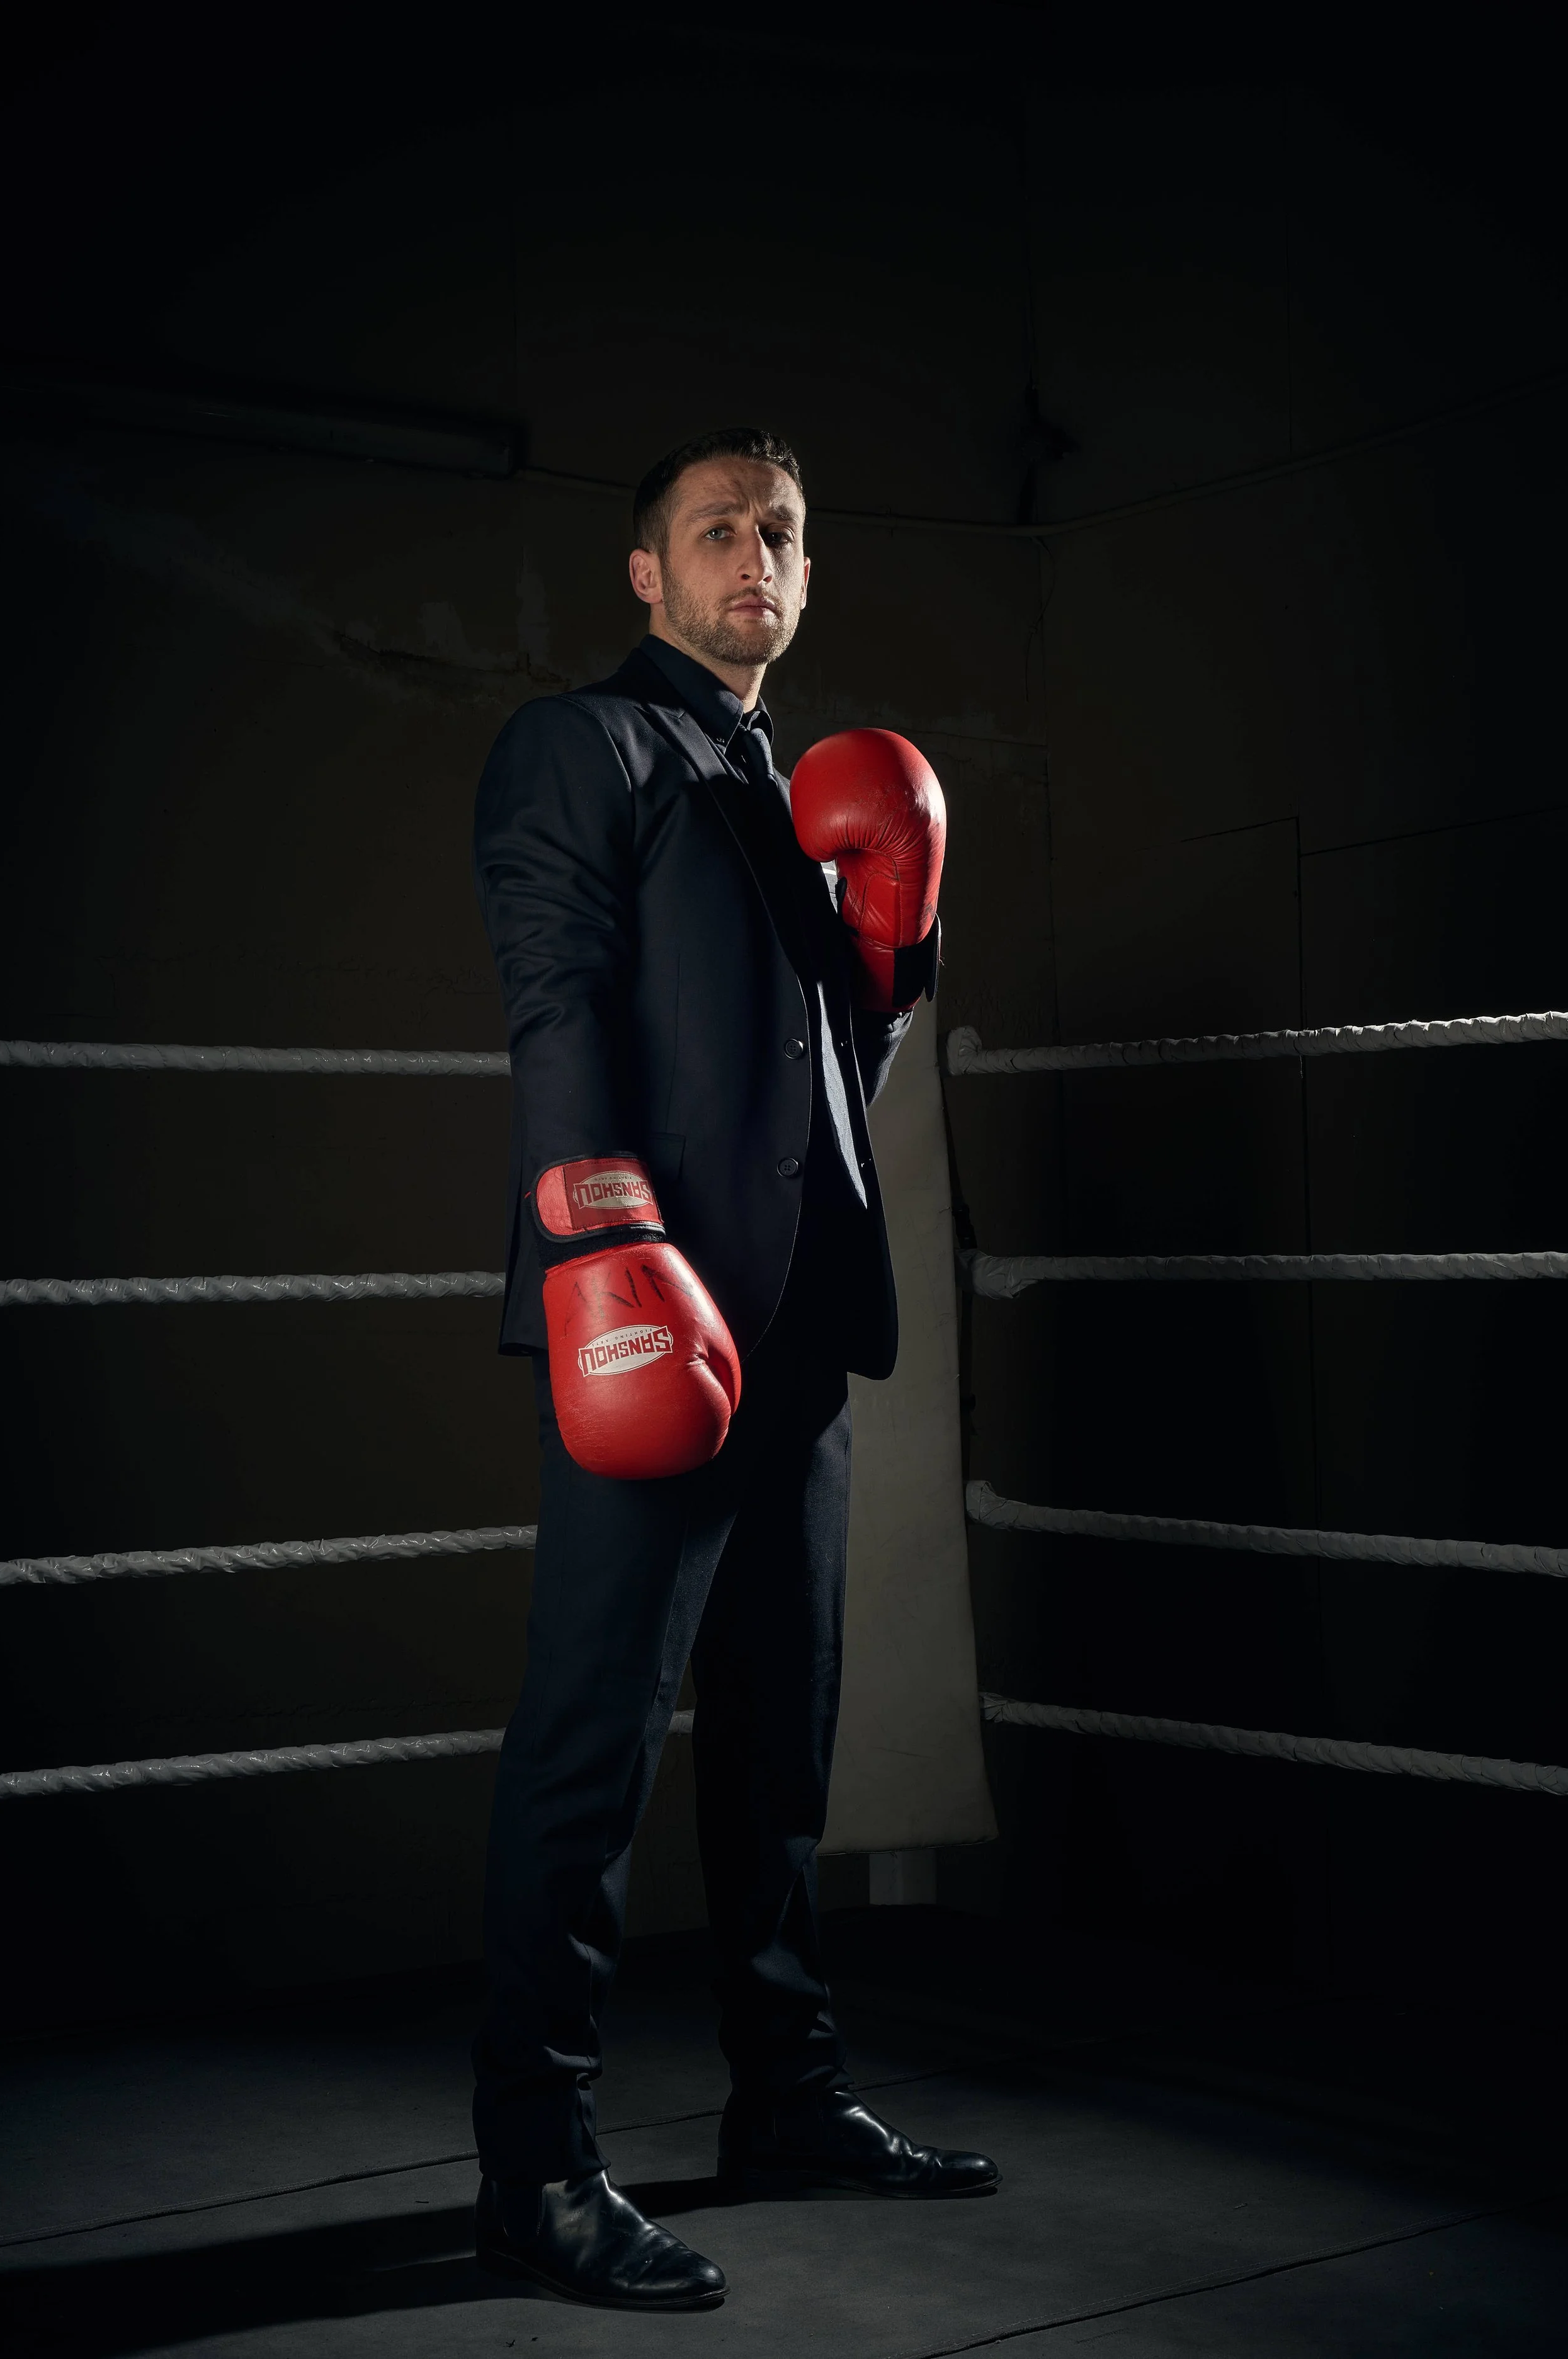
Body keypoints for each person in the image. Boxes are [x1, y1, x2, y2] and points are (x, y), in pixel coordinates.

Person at [469, 425, 997, 2312]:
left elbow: (833, 1069)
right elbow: (554, 995)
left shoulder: (796, 791)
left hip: (795, 1333)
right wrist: (602, 1242)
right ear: (648, 574)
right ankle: (531, 2168)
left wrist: (897, 942)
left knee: (780, 1747)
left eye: (777, 532)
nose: (751, 557)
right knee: (590, 1753)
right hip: (653, 1310)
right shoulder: (582, 748)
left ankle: (789, 2098)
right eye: (715, 532)